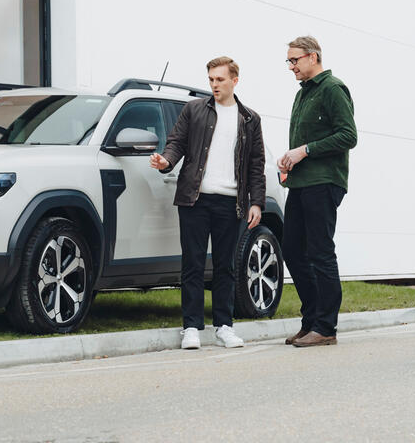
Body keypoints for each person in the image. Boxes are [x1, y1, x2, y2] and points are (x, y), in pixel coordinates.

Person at [150, 56, 266, 350]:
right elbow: (176, 142)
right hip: (195, 199)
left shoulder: (250, 119)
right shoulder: (194, 110)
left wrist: (256, 202)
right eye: (211, 79)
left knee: (226, 266)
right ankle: (191, 327)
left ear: (234, 81)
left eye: (220, 79)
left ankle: (224, 327)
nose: (214, 84)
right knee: (193, 263)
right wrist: (166, 162)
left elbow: (256, 164)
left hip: (231, 202)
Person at [278, 36, 357, 347]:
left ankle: (326, 327)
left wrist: (305, 150)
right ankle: (311, 320)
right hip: (300, 183)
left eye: (294, 60)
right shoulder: (303, 94)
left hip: (324, 182)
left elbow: (348, 136)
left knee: (320, 252)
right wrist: (290, 162)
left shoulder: (333, 88)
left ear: (313, 57)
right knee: (292, 250)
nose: (291, 66)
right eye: (288, 61)